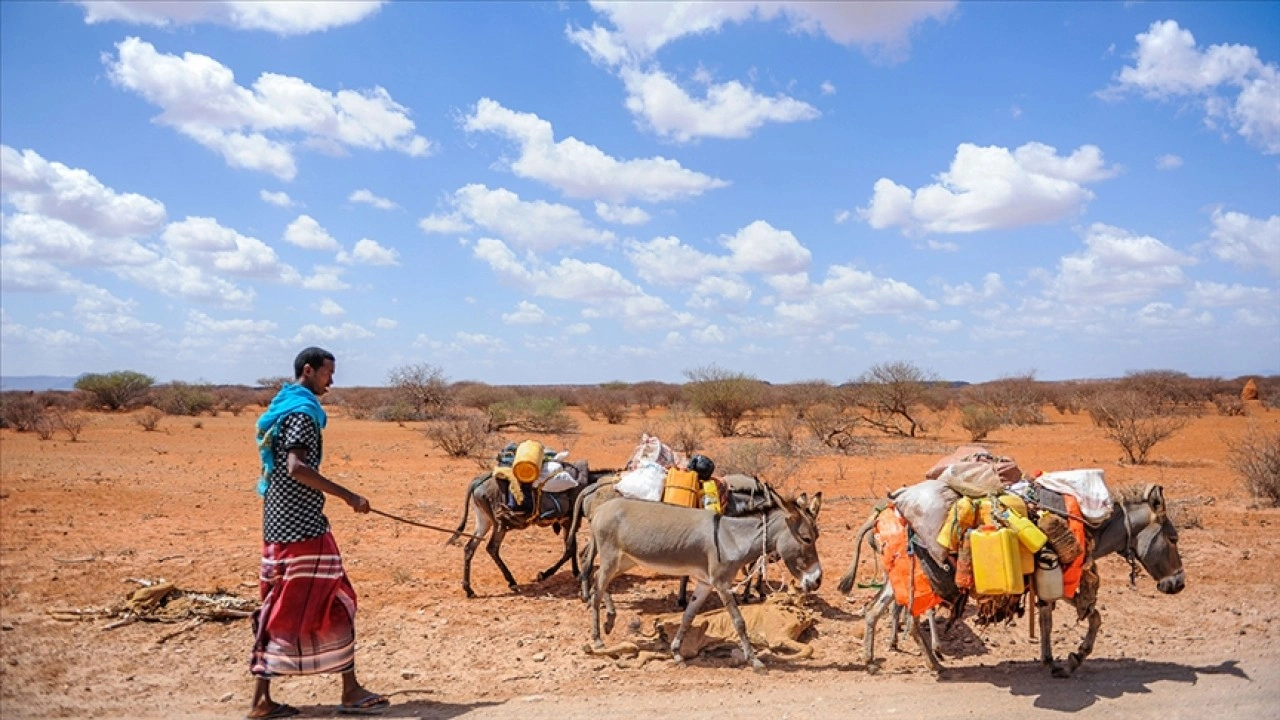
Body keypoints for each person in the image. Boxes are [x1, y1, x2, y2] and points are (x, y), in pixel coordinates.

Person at [246, 347, 389, 719]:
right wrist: (348, 496)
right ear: (308, 371)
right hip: (304, 529)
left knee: (276, 607)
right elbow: (296, 467)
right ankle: (351, 690)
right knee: (338, 600)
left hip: (279, 525)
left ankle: (262, 699)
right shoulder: (302, 413)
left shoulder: (283, 406)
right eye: (328, 373)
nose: (332, 381)